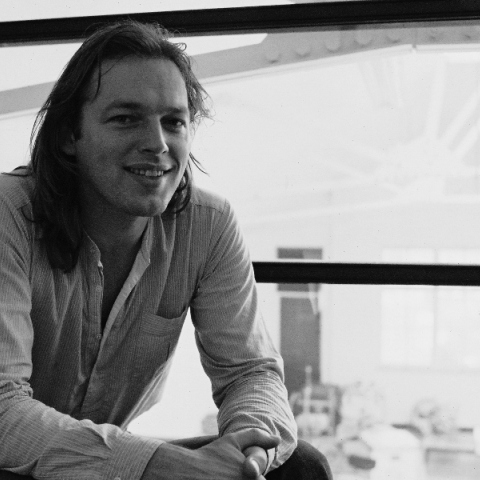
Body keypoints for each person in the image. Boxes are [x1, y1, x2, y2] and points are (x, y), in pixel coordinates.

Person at [0, 21, 332, 480]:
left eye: (173, 122)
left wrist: (248, 451)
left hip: (107, 460)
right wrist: (158, 465)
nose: (157, 144)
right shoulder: (9, 214)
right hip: (11, 461)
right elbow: (3, 410)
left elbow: (250, 372)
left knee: (300, 467)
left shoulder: (207, 224)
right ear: (68, 136)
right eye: (126, 118)